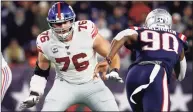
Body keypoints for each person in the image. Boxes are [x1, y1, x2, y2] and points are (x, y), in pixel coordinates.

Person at [20, 2, 123, 111]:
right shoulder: (45, 41)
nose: (62, 27)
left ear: (72, 20)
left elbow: (112, 54)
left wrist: (112, 68)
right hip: (64, 85)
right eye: (57, 23)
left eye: (65, 22)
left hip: (92, 83)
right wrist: (35, 92)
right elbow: (41, 70)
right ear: (51, 24)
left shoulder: (85, 30)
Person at [94, 8, 188, 111]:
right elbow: (181, 75)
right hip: (156, 71)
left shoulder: (140, 31)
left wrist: (108, 59)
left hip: (134, 74)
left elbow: (123, 34)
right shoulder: (178, 38)